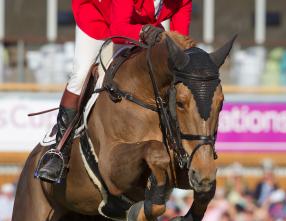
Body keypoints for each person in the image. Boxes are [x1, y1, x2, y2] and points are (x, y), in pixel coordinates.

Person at [36, 0, 192, 183]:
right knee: (80, 75)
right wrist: (143, 32)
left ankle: (181, 150)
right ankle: (60, 150)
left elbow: (179, 45)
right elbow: (118, 31)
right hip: (98, 18)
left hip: (140, 23)